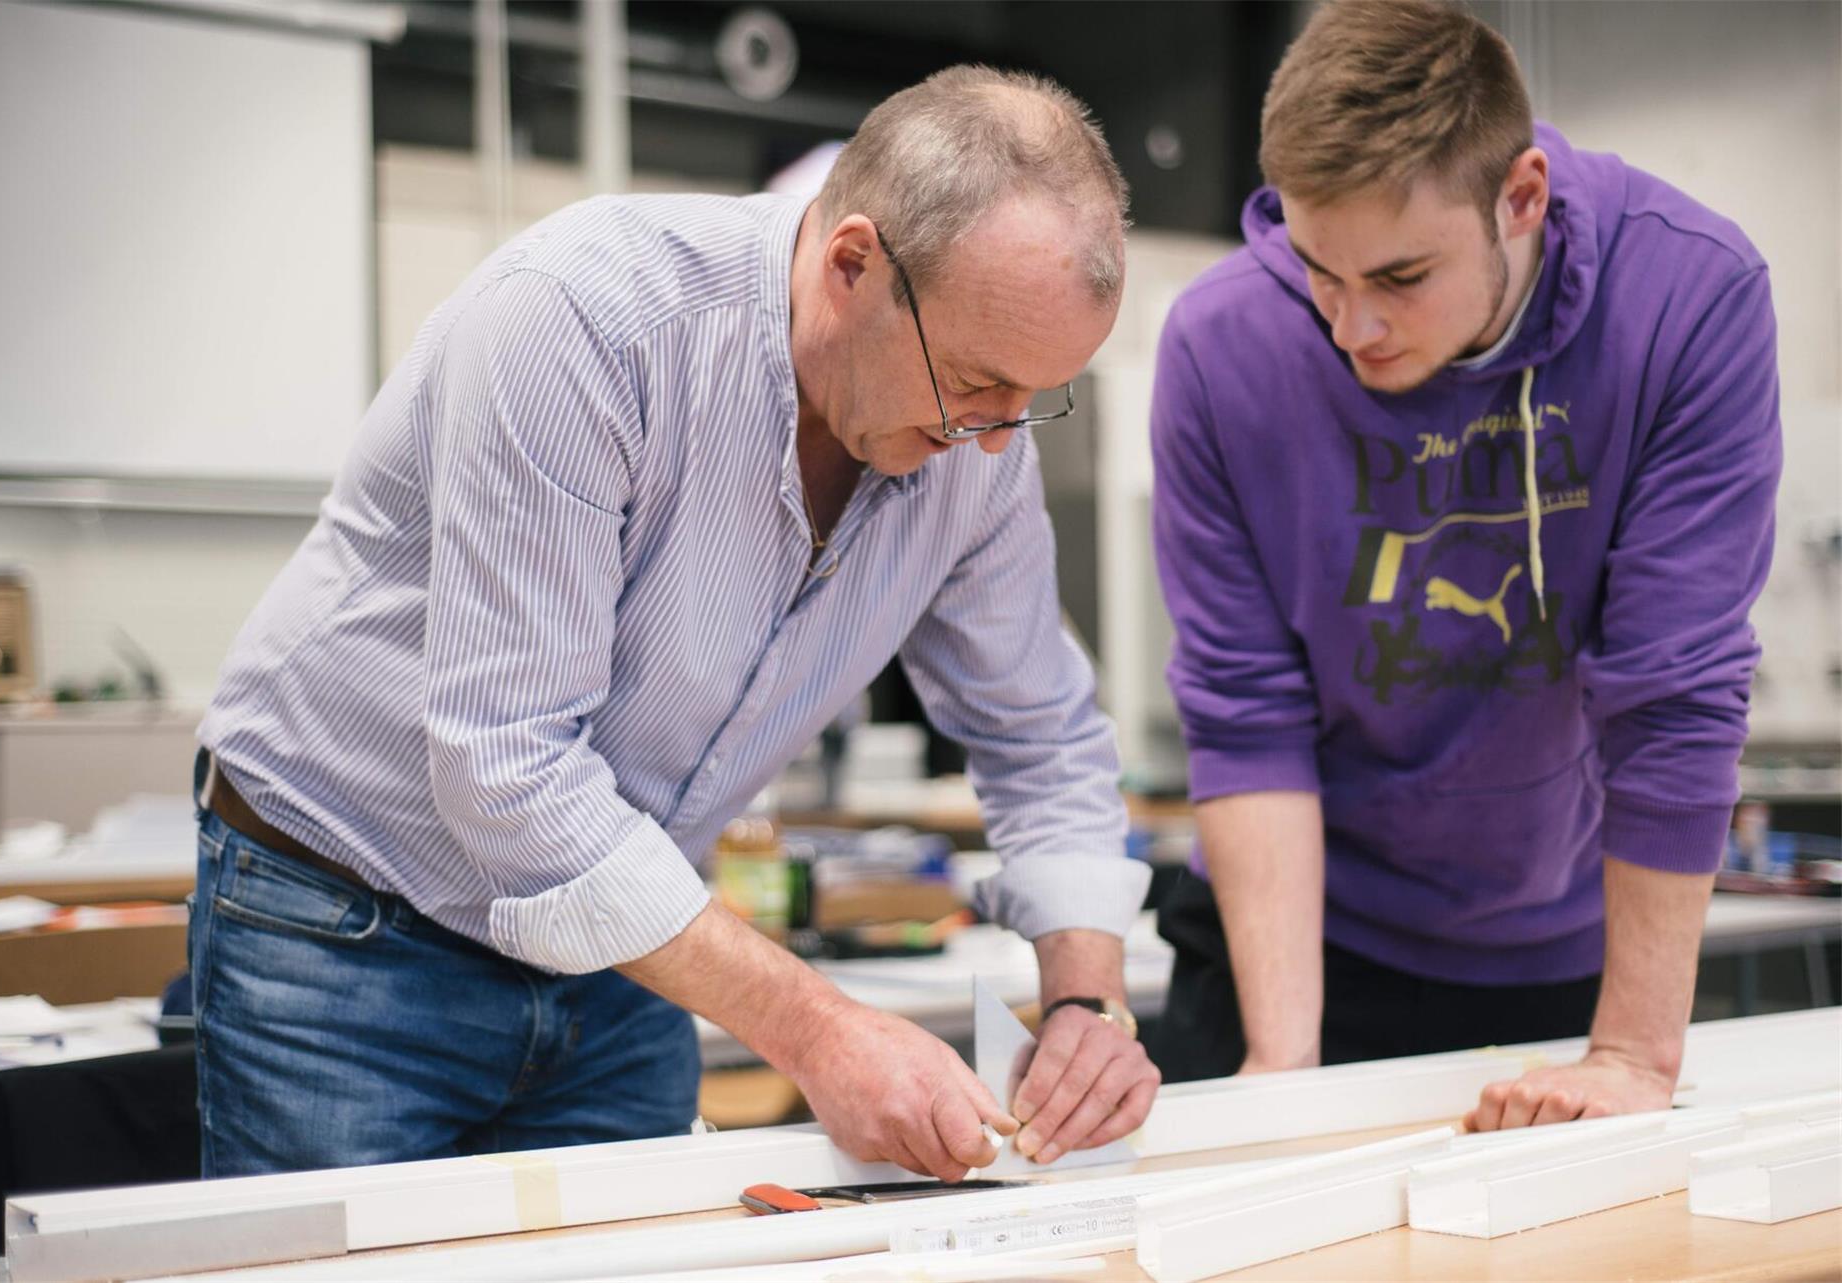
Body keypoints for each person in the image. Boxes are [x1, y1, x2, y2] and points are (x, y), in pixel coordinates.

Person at [190, 65, 1159, 1180]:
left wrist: (1086, 998)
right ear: (851, 265)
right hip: (346, 918)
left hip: (627, 947)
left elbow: (1040, 735)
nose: (995, 438)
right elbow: (510, 767)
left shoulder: (977, 443)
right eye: (978, 384)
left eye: (1033, 400)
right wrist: (818, 1027)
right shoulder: (588, 320)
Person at [1147, 0, 1779, 1133]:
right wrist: (1281, 1074)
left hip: (1567, 951)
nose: (1352, 327)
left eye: (1399, 276)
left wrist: (1635, 1053)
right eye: (1317, 271)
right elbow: (1247, 710)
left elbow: (1674, 693)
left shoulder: (1689, 297)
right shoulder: (1222, 344)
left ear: (1521, 196)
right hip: (1302, 949)